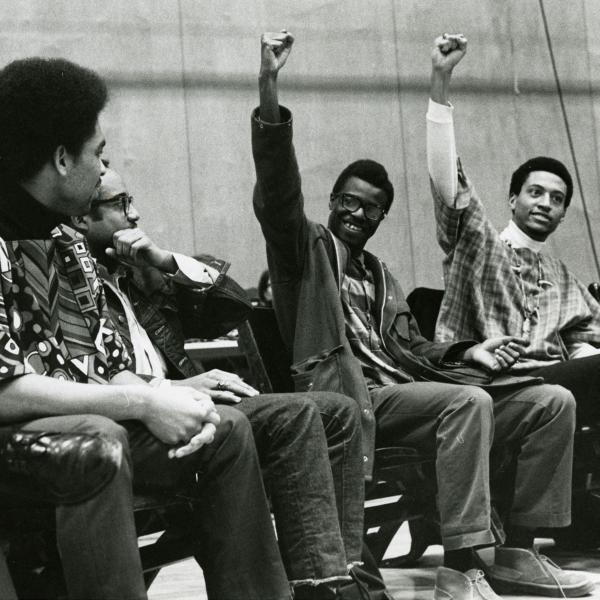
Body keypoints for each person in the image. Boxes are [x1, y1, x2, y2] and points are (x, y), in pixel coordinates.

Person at [251, 31, 593, 600]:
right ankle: (461, 565)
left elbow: (417, 348)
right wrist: (269, 86)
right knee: (468, 401)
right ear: (331, 202)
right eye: (349, 201)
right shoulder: (303, 252)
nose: (359, 213)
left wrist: (468, 352)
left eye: (373, 208)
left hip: (412, 394)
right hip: (352, 400)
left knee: (549, 401)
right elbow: (278, 189)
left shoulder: (382, 276)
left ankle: (518, 554)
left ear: (382, 218)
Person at [0, 55, 294, 600]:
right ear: (62, 159)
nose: (101, 167)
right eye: (98, 154)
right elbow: (4, 390)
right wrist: (142, 406)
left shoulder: (67, 242)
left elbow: (108, 368)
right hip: (23, 438)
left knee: (224, 429)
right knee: (100, 442)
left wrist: (171, 402)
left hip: (77, 422)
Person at [72, 166, 376, 600]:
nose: (135, 214)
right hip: (148, 414)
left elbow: (234, 303)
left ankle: (340, 572)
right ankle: (321, 587)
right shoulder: (77, 281)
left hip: (187, 402)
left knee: (339, 411)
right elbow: (91, 372)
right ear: (83, 216)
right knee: (299, 414)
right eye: (121, 203)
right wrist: (174, 388)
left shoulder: (137, 276)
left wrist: (162, 260)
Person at [427, 33, 600, 434]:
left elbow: (587, 333)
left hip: (558, 386)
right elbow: (446, 184)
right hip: (493, 387)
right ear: (512, 199)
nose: (544, 203)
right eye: (535, 192)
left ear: (562, 215)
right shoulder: (480, 245)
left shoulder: (561, 275)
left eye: (556, 199)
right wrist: (440, 81)